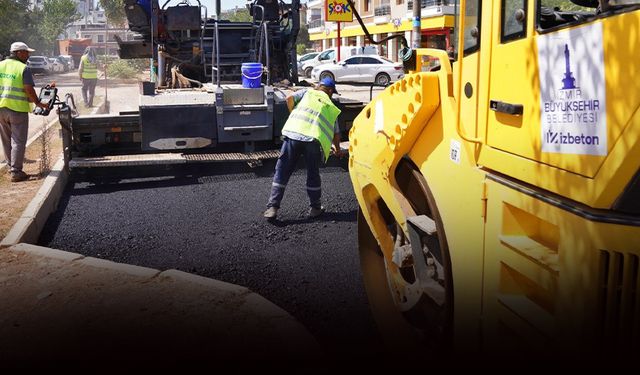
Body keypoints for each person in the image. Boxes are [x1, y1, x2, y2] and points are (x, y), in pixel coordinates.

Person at [263, 77, 345, 220]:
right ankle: (315, 208)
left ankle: (272, 207)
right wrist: (337, 150)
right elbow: (335, 132)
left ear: (319, 86)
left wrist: (294, 114)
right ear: (330, 91)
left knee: (282, 171)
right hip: (311, 140)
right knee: (313, 174)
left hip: (292, 134)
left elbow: (289, 98)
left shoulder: (307, 93)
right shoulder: (329, 106)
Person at [0, 42, 48, 182]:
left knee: (6, 140)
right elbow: (28, 88)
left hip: (1, 109)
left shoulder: (0, 65)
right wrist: (38, 103)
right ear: (19, 53)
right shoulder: (23, 68)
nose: (28, 55)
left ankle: (11, 167)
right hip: (17, 110)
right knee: (18, 141)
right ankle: (16, 171)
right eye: (26, 52)